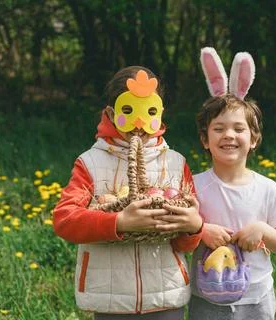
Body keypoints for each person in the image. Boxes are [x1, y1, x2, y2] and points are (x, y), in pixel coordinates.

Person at [53, 66, 203, 320]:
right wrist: (120, 222)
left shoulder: (176, 164)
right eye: (128, 111)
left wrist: (194, 226)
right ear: (111, 113)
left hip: (166, 297)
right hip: (111, 302)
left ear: (160, 112)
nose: (139, 123)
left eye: (149, 111)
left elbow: (184, 243)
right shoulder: (90, 163)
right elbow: (65, 221)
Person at [186, 48, 276, 320]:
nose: (229, 135)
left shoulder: (268, 188)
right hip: (206, 299)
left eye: (239, 128)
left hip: (257, 298)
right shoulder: (193, 186)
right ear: (204, 139)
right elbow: (179, 236)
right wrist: (202, 230)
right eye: (218, 129)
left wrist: (262, 230)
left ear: (254, 138)